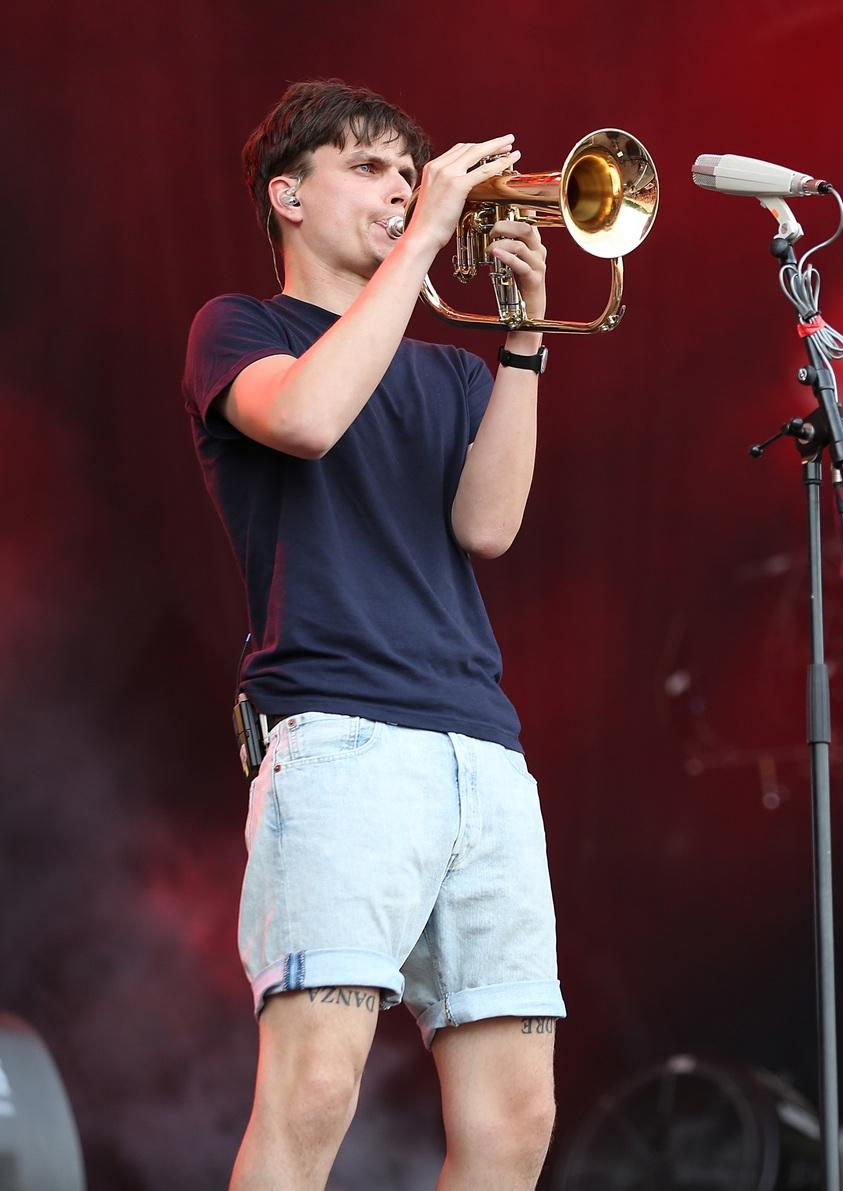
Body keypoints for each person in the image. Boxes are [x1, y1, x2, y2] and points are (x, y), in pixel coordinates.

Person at [182, 79, 565, 1189]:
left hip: (480, 748)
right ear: (288, 196)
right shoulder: (239, 328)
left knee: (517, 1119)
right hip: (340, 738)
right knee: (313, 1091)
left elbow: (489, 527)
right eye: (367, 166)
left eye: (409, 172)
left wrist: (526, 341)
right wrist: (427, 241)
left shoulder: (450, 369)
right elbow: (304, 418)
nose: (400, 188)